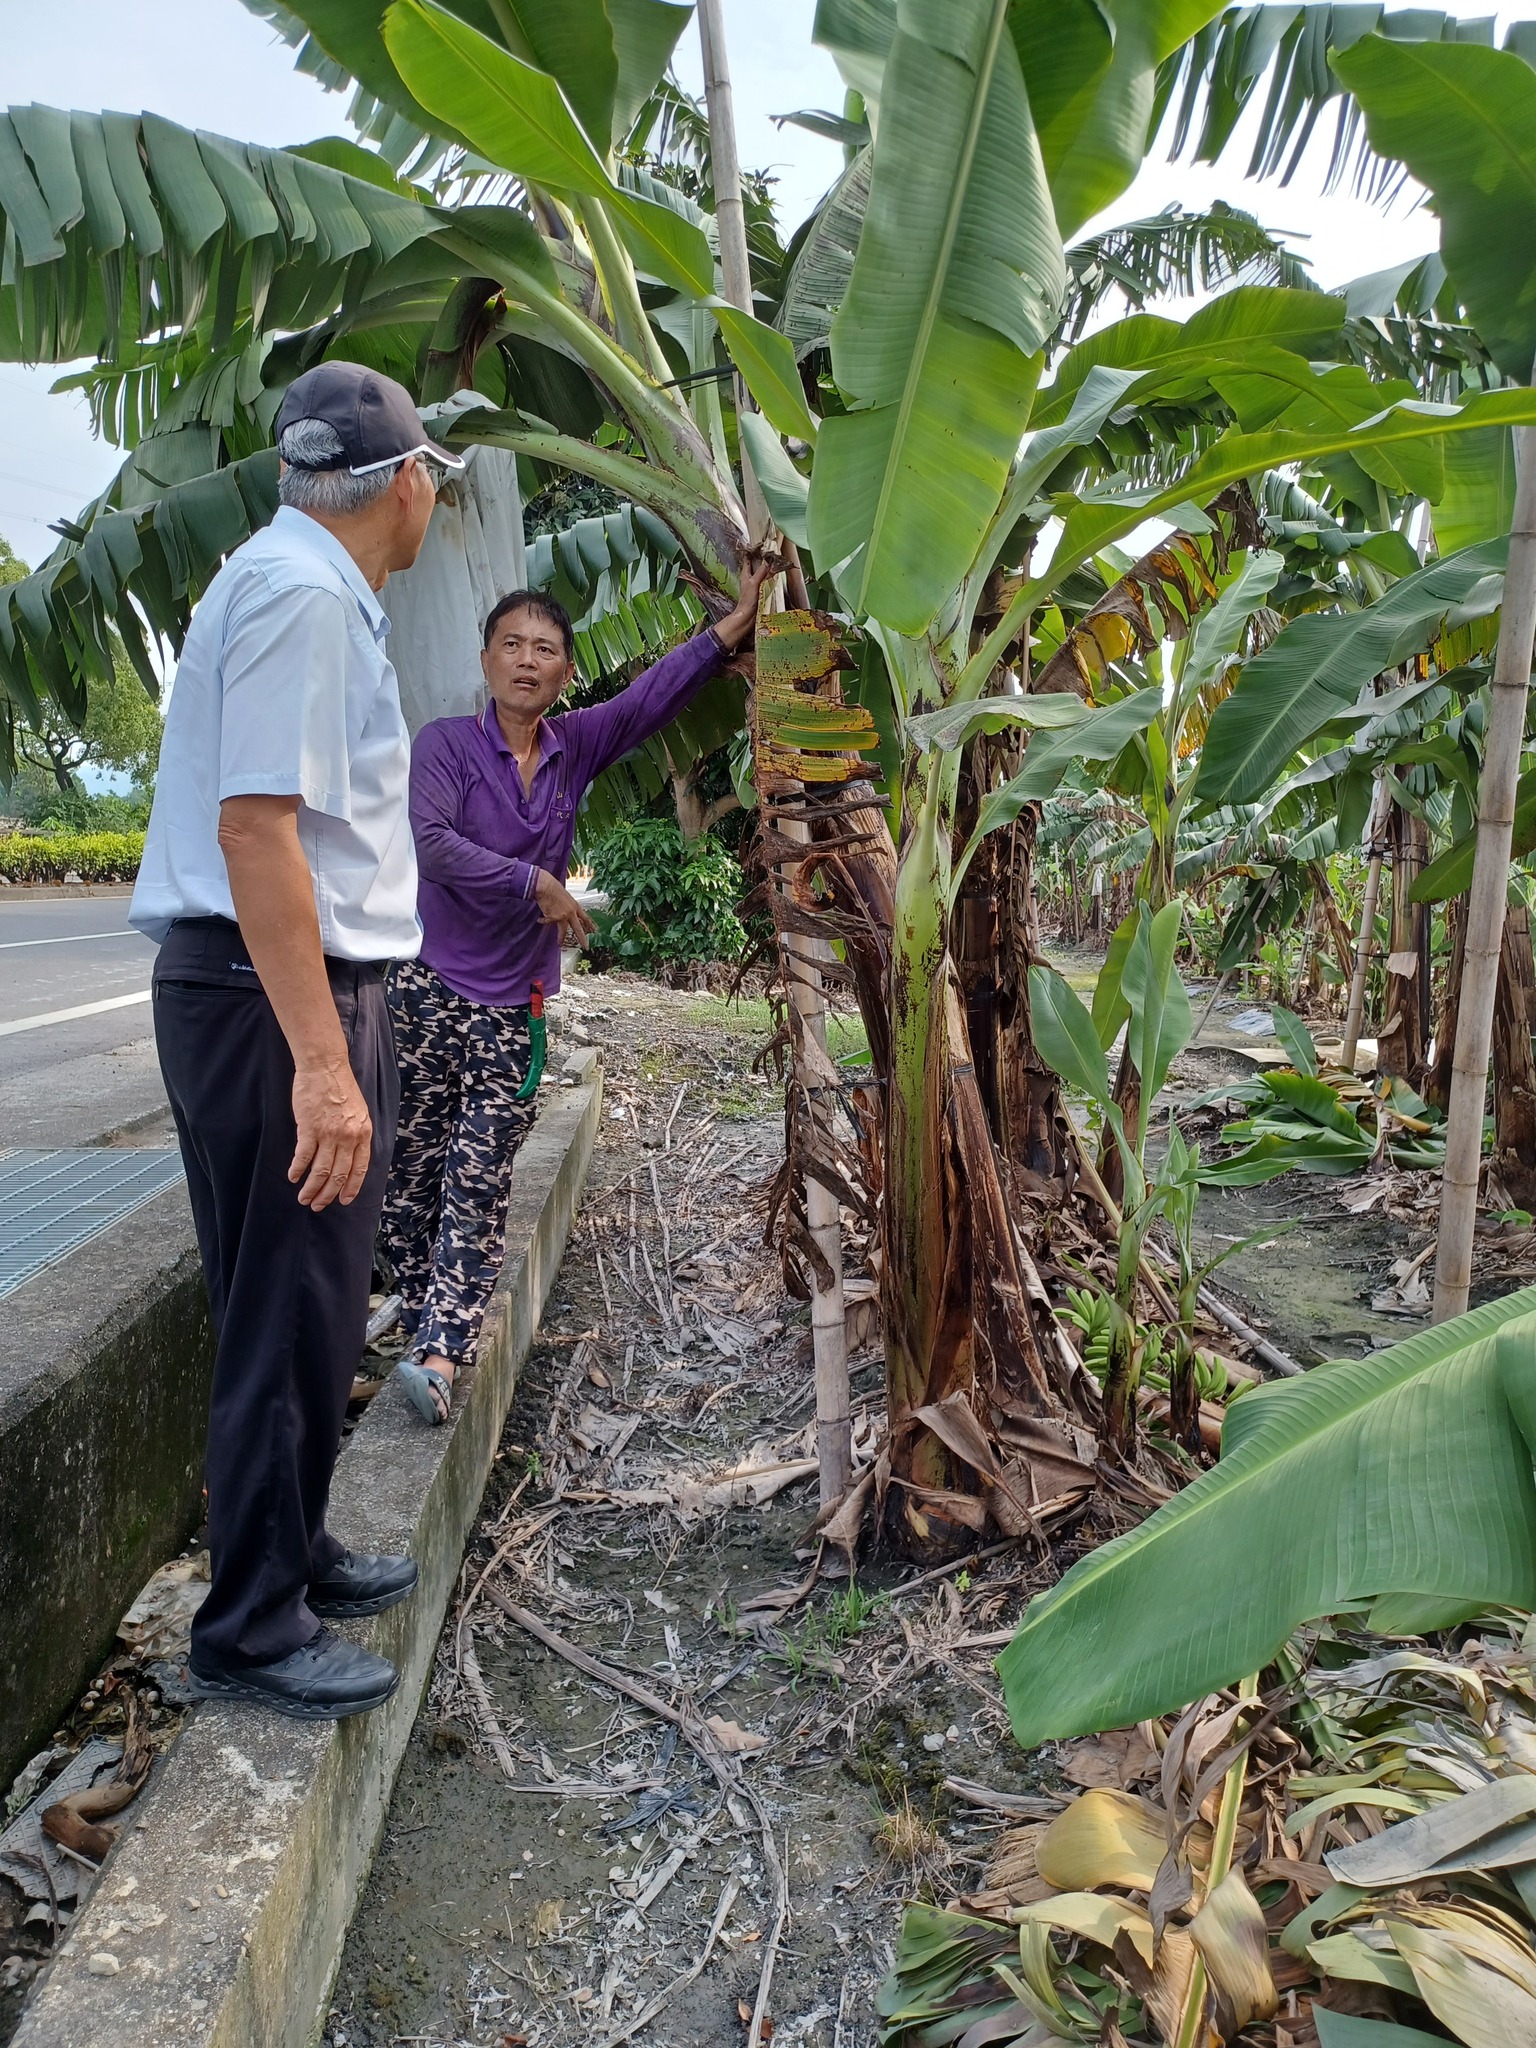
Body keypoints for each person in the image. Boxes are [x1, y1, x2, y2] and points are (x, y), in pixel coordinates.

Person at [129, 361, 465, 1720]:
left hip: (278, 991)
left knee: (304, 1301)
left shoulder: (300, 585)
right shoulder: (302, 595)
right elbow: (257, 830)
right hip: (280, 1000)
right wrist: (324, 1062)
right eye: (435, 473)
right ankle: (254, 1626)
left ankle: (294, 1550)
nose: (437, 494)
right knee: (287, 1306)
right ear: (402, 483)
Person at [385, 565, 769, 1425]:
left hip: (513, 1005)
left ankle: (444, 1351)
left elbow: (648, 701)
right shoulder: (443, 747)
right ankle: (420, 1321)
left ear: (564, 673)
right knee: (410, 1180)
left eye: (546, 649)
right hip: (427, 988)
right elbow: (434, 846)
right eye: (513, 644)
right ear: (486, 658)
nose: (527, 659)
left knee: (480, 1175)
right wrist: (537, 884)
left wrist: (727, 632)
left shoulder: (574, 748)